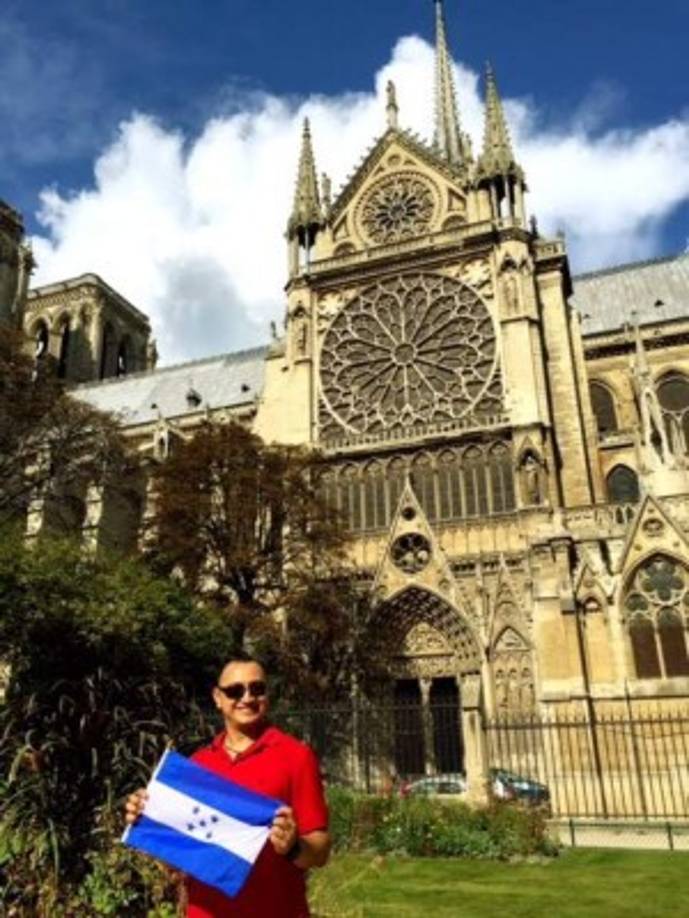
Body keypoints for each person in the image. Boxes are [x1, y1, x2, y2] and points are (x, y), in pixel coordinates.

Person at [125, 656, 331, 917]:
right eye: (235, 691)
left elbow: (320, 851)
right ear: (217, 698)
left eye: (257, 689)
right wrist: (147, 818)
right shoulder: (198, 765)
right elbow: (176, 862)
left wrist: (294, 847)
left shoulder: (296, 756)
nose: (247, 698)